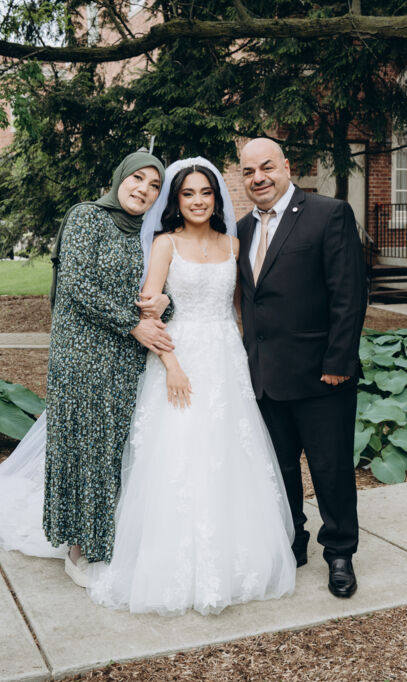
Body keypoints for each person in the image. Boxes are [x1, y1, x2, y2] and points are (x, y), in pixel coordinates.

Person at [87, 157, 296, 615]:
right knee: (180, 454)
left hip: (225, 360)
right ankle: (172, 566)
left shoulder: (234, 245)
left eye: (205, 193)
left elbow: (240, 310)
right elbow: (149, 311)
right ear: (176, 201)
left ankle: (234, 561)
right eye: (188, 194)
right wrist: (172, 365)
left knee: (227, 452)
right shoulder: (165, 244)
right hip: (178, 358)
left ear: (216, 198)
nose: (198, 201)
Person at [0, 151, 174, 587]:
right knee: (85, 447)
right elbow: (77, 285)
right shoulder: (88, 217)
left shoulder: (146, 235)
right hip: (81, 354)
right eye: (137, 178)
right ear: (120, 177)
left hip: (125, 358)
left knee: (113, 449)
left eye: (154, 185)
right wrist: (134, 324)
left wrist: (163, 303)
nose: (144, 189)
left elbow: (153, 294)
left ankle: (106, 535)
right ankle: (79, 546)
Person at [237, 138, 367, 598]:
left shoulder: (328, 214)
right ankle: (292, 541)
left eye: (267, 167)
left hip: (321, 375)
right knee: (280, 470)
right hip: (264, 377)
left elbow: (349, 293)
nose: (258, 178)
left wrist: (339, 361)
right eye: (249, 171)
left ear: (286, 166)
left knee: (331, 469)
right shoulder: (242, 230)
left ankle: (340, 552)